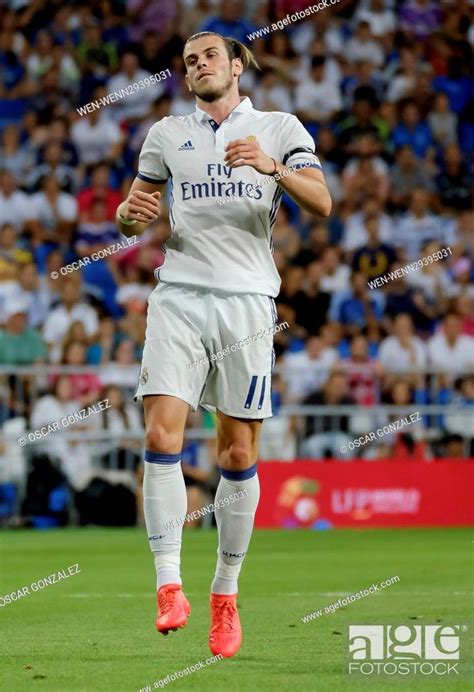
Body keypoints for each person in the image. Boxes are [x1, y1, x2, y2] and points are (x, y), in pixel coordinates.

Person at [115, 31, 331, 658]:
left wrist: (274, 168)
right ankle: (167, 587)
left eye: (210, 55)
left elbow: (321, 201)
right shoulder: (166, 135)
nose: (199, 65)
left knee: (237, 452)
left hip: (247, 304)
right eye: (189, 61)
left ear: (237, 65)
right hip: (178, 295)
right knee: (160, 436)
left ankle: (225, 595)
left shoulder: (279, 126)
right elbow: (134, 216)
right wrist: (131, 217)